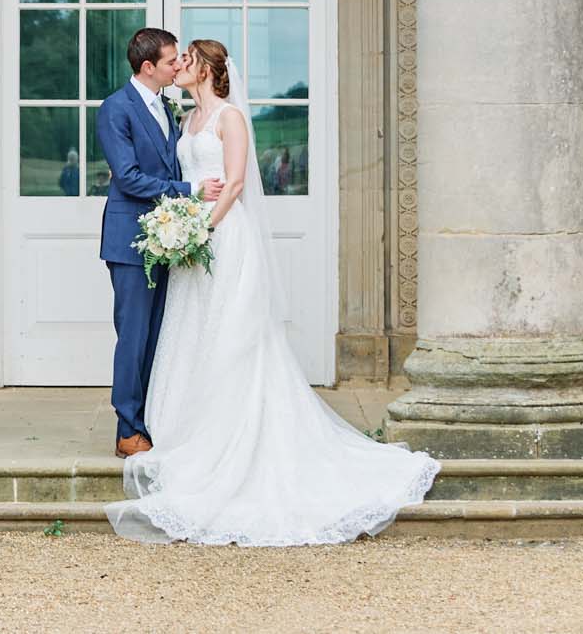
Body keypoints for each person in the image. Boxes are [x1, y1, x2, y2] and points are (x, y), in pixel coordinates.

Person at [107, 38, 439, 546]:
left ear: (209, 70)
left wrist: (201, 229)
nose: (181, 67)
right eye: (176, 60)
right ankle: (175, 432)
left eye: (188, 61)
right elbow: (162, 175)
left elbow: (235, 184)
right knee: (188, 334)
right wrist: (189, 220)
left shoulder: (229, 118)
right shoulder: (185, 119)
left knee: (232, 337)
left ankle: (234, 436)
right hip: (193, 233)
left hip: (219, 234)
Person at [93, 27, 224, 459]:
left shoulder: (167, 107)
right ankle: (127, 429)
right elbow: (127, 178)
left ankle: (152, 419)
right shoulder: (116, 109)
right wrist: (189, 191)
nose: (178, 66)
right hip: (130, 241)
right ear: (148, 67)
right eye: (171, 61)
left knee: (156, 336)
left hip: (167, 238)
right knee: (132, 336)